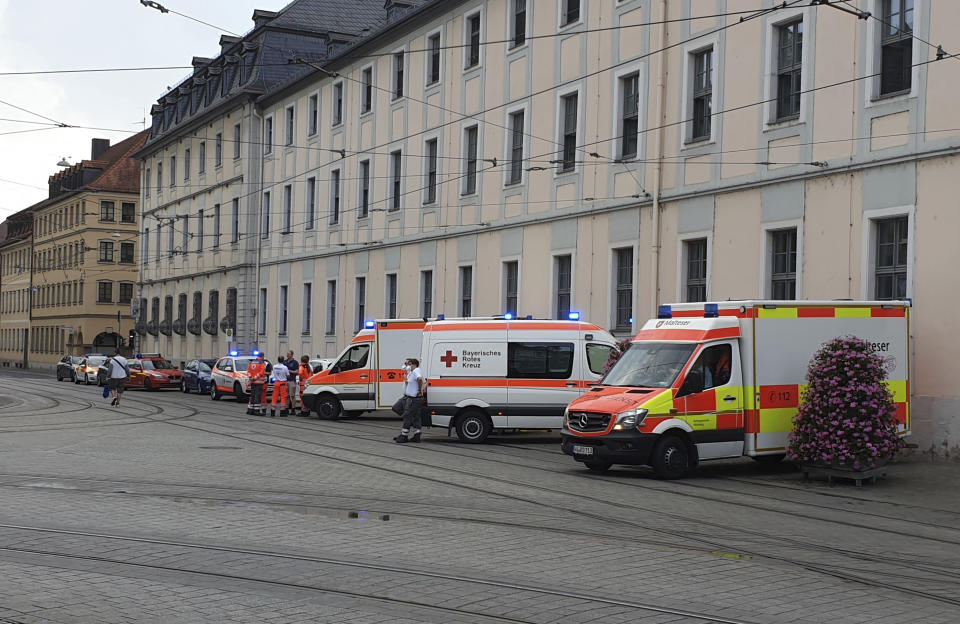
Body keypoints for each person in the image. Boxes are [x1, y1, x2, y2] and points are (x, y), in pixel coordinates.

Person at [394, 357, 425, 443]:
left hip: (414, 399)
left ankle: (404, 435)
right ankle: (416, 435)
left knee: (407, 415)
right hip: (409, 397)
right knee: (399, 409)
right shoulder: (411, 372)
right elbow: (422, 381)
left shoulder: (416, 371)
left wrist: (419, 390)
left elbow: (419, 379)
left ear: (413, 364)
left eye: (407, 364)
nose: (405, 365)